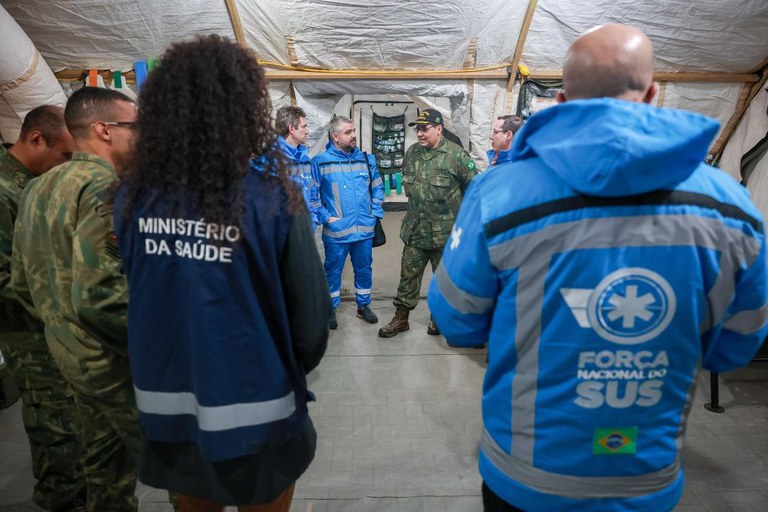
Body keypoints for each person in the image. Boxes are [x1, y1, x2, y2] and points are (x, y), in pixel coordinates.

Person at [427, 24, 768, 512]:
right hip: (644, 477)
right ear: (652, 95)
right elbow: (736, 345)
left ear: (562, 99)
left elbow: (458, 322)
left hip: (526, 476)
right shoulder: (730, 208)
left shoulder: (499, 195)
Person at [114, 35, 330, 512]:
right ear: (242, 107)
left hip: (171, 414)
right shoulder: (272, 197)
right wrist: (282, 370)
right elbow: (311, 322)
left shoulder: (131, 200)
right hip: (259, 415)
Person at [11, 87, 141, 512]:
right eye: (134, 127)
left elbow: (21, 283)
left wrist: (62, 332)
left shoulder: (37, 187)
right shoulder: (105, 188)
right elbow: (100, 298)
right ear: (104, 130)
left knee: (105, 472)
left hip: (69, 359)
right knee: (184, 464)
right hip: (115, 364)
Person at [0, 106, 86, 511]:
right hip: (32, 340)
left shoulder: (32, 187)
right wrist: (68, 301)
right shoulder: (4, 192)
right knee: (59, 441)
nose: (66, 165)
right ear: (36, 140)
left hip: (56, 334)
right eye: (65, 155)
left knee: (76, 436)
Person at [378, 108, 476, 338]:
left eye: (425, 129)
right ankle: (401, 318)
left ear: (439, 129)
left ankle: (438, 319)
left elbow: (474, 192)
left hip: (446, 233)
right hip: (416, 230)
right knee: (408, 276)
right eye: (418, 129)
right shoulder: (412, 153)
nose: (420, 133)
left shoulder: (457, 156)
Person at [312, 115, 384, 329]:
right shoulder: (321, 161)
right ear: (335, 136)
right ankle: (330, 308)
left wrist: (375, 212)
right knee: (333, 270)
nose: (354, 135)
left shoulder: (366, 159)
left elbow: (378, 186)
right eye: (348, 132)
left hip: (364, 230)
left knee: (364, 269)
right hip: (337, 232)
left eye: (353, 131)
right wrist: (326, 217)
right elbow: (312, 195)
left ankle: (363, 306)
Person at [262, 106, 322, 232]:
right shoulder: (271, 160)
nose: (308, 131)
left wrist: (313, 220)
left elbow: (312, 195)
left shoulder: (305, 161)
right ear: (292, 129)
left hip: (304, 233)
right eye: (304, 126)